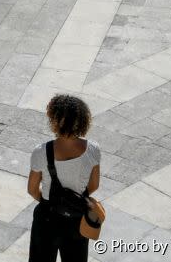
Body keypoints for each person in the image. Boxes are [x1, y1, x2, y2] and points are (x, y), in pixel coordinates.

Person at [26, 94, 99, 262]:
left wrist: (50, 203)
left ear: (54, 120)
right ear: (82, 121)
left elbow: (31, 189)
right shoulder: (93, 150)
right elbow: (94, 185)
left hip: (47, 219)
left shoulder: (41, 151)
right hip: (77, 219)